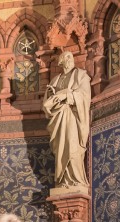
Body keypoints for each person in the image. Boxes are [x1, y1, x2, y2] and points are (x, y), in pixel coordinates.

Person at [43, 51, 92, 189]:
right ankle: (63, 180)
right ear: (60, 61)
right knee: (61, 149)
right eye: (67, 57)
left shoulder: (81, 75)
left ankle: (76, 179)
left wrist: (67, 95)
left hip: (72, 117)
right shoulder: (55, 80)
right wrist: (52, 95)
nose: (70, 59)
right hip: (58, 120)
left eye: (71, 56)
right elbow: (47, 103)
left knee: (72, 146)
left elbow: (84, 95)